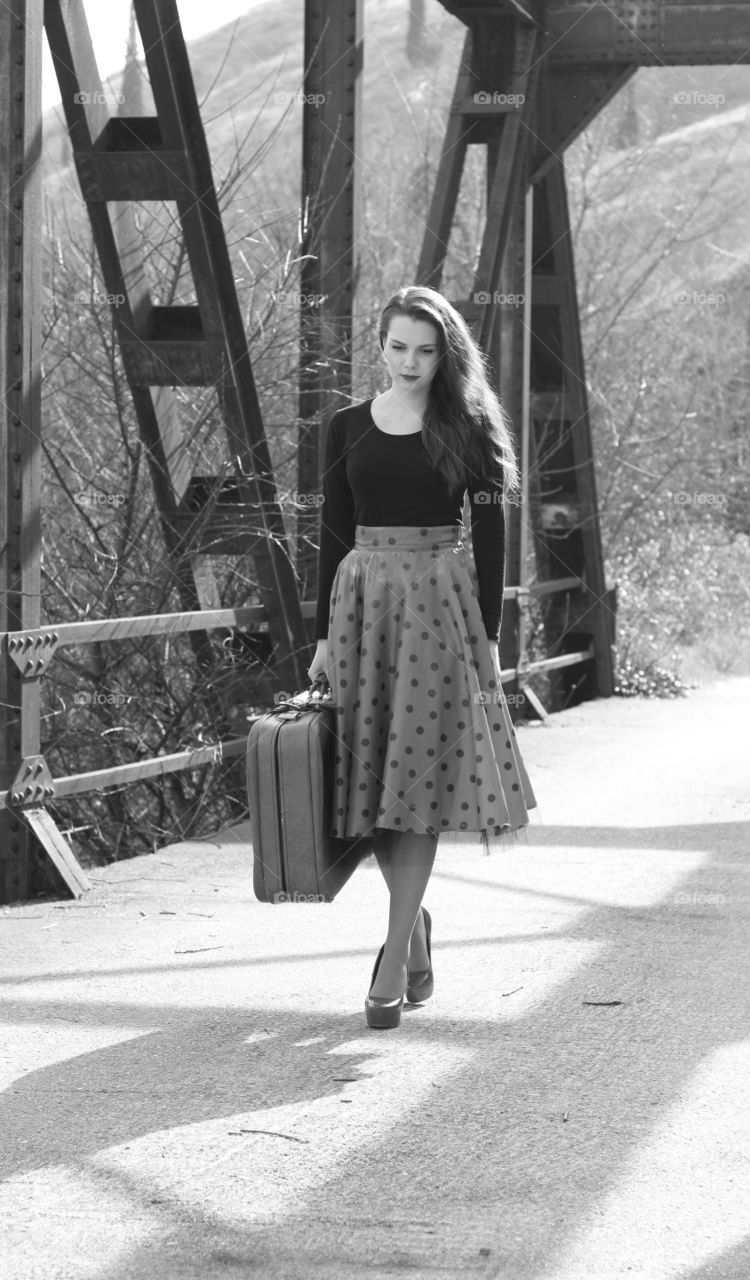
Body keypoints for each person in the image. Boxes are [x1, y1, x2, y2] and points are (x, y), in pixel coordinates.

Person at [307, 284, 538, 1029]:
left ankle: (391, 956)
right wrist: (319, 639)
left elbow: (495, 537)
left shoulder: (468, 427)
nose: (410, 362)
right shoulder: (345, 425)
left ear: (447, 354)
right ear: (381, 346)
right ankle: (414, 930)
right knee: (368, 782)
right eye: (398, 347)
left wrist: (491, 638)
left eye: (425, 350)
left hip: (439, 607)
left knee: (418, 782)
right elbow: (334, 534)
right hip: (360, 605)